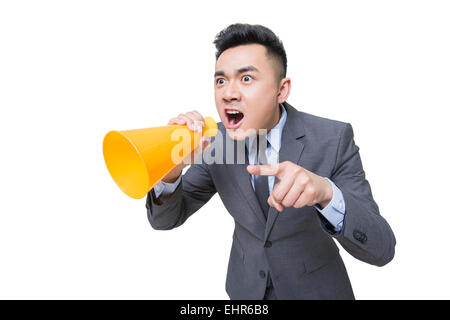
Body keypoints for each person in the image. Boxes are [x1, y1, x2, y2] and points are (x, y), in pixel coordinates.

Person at [146, 23, 396, 300]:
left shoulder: (333, 139)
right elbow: (165, 220)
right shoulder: (213, 141)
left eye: (246, 79)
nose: (228, 93)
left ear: (282, 90)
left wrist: (326, 193)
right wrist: (171, 171)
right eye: (220, 80)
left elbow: (382, 249)